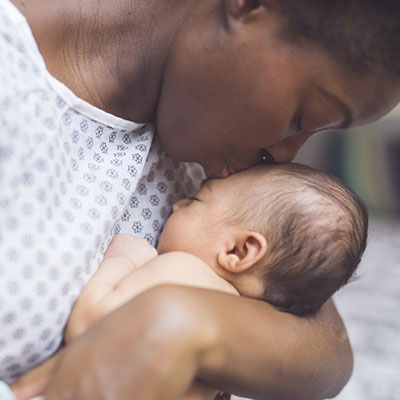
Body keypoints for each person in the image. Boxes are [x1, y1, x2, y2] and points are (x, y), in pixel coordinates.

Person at [1, 0, 399, 399]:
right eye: (302, 118)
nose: (283, 157)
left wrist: (188, 324)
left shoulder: (206, 145)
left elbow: (329, 344)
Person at [8, 162, 368, 400]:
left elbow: (91, 323)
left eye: (196, 200)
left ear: (239, 251)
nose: (178, 204)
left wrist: (126, 256)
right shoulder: (242, 321)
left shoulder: (183, 271)